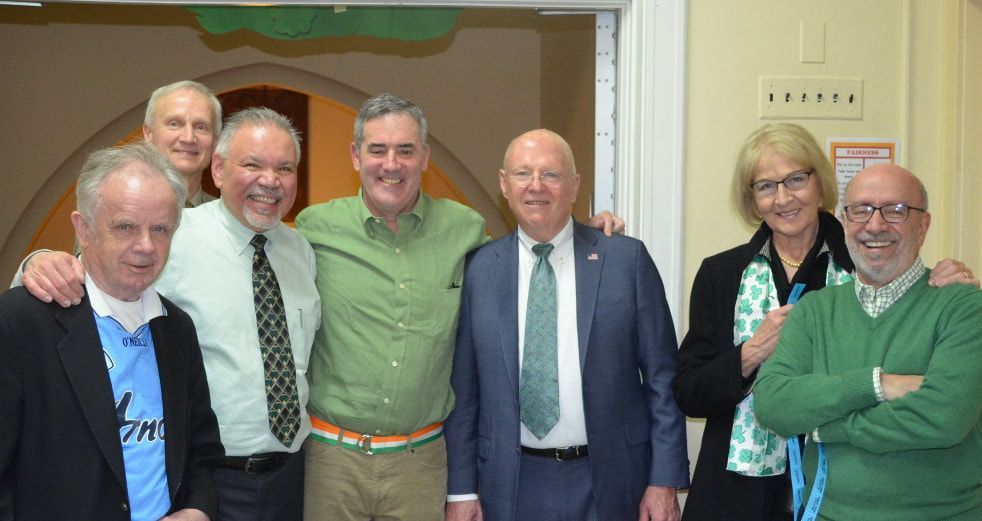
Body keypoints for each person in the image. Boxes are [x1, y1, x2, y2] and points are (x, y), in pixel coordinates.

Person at [295, 94, 623, 521]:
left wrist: (586, 234)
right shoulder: (312, 228)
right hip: (332, 463)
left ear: (425, 158)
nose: (391, 164)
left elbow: (527, 262)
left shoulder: (466, 231)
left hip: (422, 465)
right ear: (356, 156)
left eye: (406, 150)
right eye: (378, 150)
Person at [12, 108, 321, 520]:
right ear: (219, 170)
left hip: (287, 475)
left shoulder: (302, 250)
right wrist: (36, 260)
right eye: (252, 164)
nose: (271, 180)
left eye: (285, 167)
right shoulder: (171, 232)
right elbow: (82, 280)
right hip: (213, 478)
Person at [671, 123, 977, 521]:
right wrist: (751, 353)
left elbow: (943, 406)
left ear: (820, 183)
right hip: (742, 486)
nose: (783, 198)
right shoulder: (723, 273)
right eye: (765, 186)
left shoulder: (866, 254)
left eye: (796, 179)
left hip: (838, 475)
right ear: (752, 199)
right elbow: (691, 391)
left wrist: (954, 280)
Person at [443, 129, 689, 521]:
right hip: (509, 482)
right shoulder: (479, 270)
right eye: (523, 174)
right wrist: (460, 490)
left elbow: (663, 379)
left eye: (551, 175)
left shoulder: (626, 261)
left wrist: (664, 481)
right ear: (504, 184)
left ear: (574, 186)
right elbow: (464, 392)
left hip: (610, 478)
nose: (536, 186)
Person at [0, 142, 224, 520]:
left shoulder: (177, 330)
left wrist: (198, 510)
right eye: (125, 227)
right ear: (83, 229)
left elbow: (202, 454)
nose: (146, 246)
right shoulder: (21, 322)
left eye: (161, 229)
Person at [754, 164, 981, 520]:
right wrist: (877, 385)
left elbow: (944, 417)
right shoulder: (813, 310)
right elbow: (773, 404)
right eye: (861, 210)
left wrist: (827, 425)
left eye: (896, 210)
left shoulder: (964, 306)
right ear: (844, 222)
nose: (875, 225)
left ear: (923, 226)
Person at [15, 80, 222, 307]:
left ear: (215, 142)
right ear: (148, 133)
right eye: (175, 123)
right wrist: (35, 263)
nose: (188, 137)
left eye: (201, 127)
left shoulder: (225, 222)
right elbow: (81, 270)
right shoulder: (109, 195)